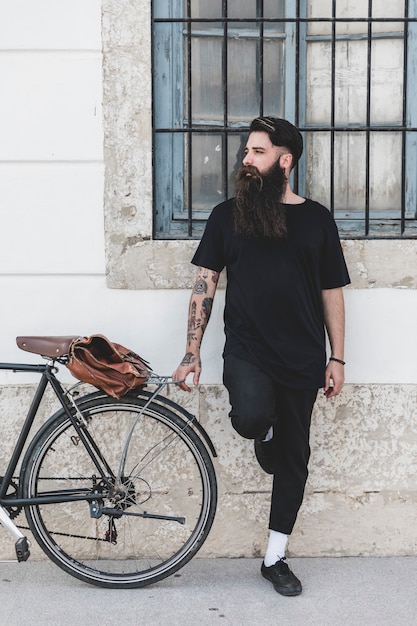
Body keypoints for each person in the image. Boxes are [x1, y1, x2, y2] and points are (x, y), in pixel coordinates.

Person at [172, 116, 350, 596]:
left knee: (293, 458)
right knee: (250, 416)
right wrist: (191, 351)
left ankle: (275, 556)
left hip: (302, 355)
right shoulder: (227, 215)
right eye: (246, 152)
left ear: (284, 160)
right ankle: (264, 429)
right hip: (248, 349)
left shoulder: (317, 219)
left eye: (256, 152)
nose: (245, 161)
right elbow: (204, 283)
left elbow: (332, 291)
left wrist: (338, 358)